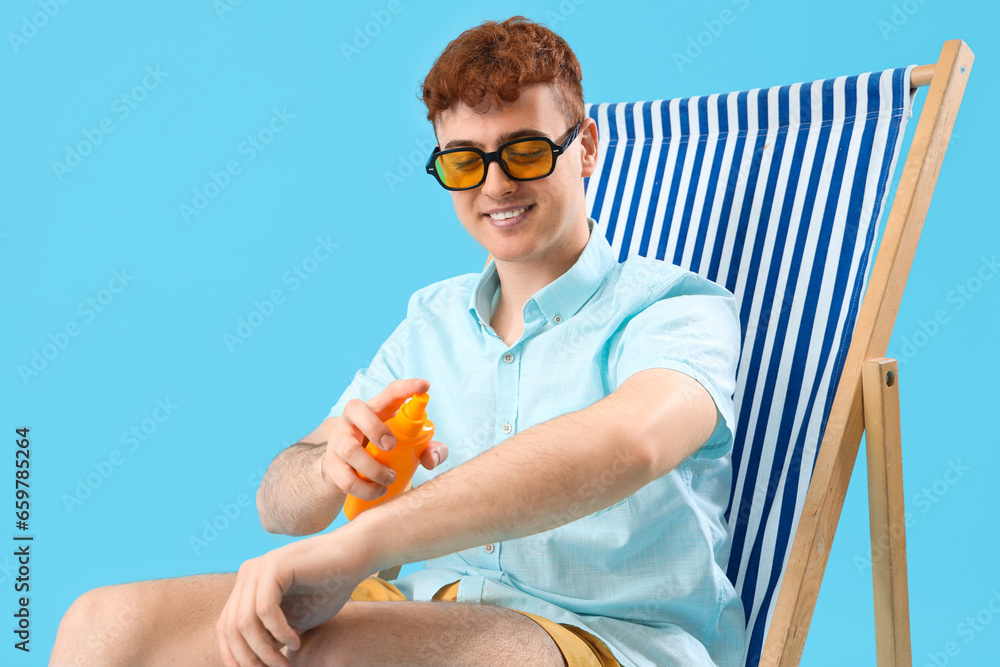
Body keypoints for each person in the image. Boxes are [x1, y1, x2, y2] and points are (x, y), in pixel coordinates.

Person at [51, 15, 746, 667]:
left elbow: (628, 443)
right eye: (465, 162)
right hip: (428, 609)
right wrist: (331, 466)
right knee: (100, 625)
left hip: (604, 637)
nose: (496, 184)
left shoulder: (673, 309)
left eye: (526, 151)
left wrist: (356, 547)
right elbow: (278, 506)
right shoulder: (433, 319)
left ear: (585, 147)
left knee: (320, 650)